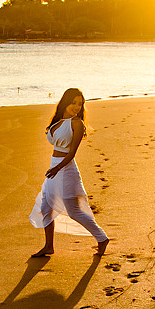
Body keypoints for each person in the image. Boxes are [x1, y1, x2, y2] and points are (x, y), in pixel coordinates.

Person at [29, 88, 109, 257]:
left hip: (65, 169)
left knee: (73, 211)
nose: (77, 107)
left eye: (80, 104)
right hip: (55, 167)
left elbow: (71, 153)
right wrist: (54, 167)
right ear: (65, 102)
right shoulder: (57, 122)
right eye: (73, 103)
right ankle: (48, 246)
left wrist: (57, 168)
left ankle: (102, 238)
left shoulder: (77, 123)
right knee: (46, 207)